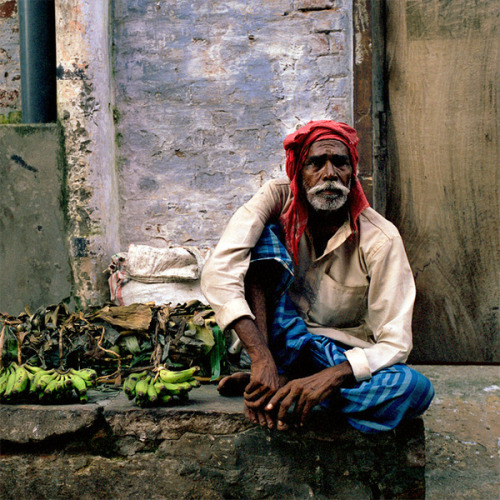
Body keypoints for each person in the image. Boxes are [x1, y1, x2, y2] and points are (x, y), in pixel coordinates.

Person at [200, 120, 434, 433]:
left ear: (352, 172)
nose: (329, 174)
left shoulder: (380, 238)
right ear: (298, 171)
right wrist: (261, 358)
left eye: (340, 163)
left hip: (334, 354)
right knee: (264, 238)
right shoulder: (276, 198)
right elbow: (220, 269)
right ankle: (278, 379)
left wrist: (331, 377)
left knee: (413, 389)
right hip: (276, 341)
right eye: (316, 163)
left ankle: (289, 391)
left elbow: (395, 342)